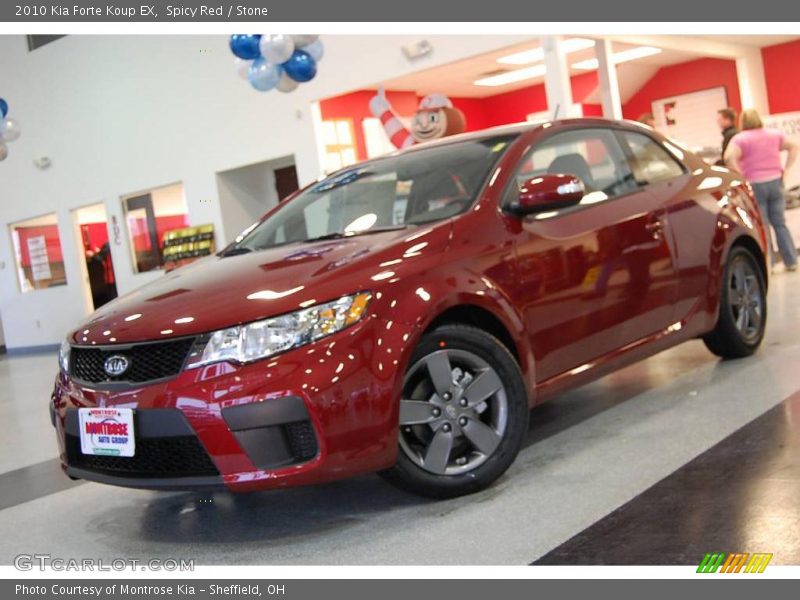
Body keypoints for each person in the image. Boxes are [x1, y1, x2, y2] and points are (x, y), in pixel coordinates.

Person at [725, 108, 799, 272]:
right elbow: (794, 146)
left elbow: (729, 157)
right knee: (780, 223)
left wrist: (740, 176)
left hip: (755, 184)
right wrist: (786, 169)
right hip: (775, 182)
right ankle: (791, 261)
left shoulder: (740, 139)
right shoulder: (774, 135)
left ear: (743, 121)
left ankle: (769, 264)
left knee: (763, 226)